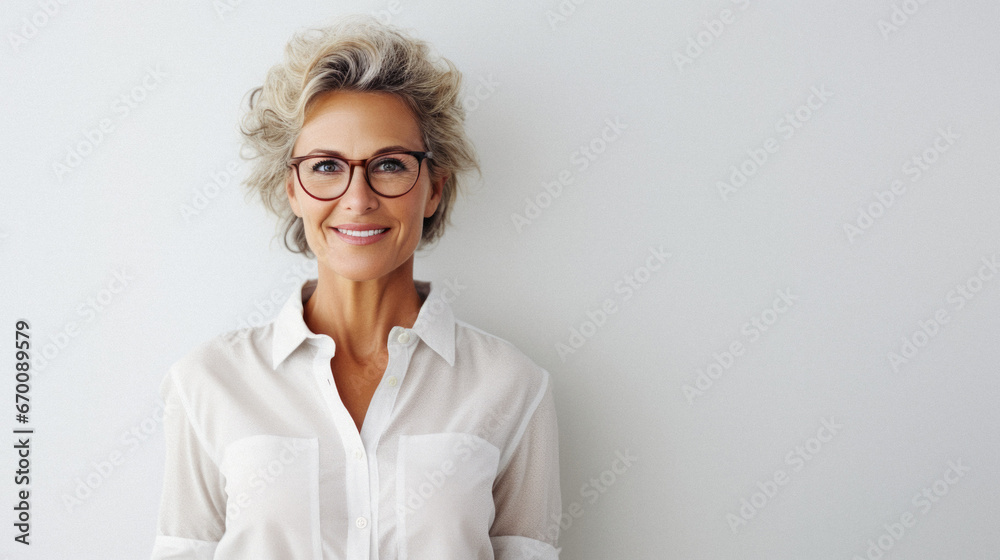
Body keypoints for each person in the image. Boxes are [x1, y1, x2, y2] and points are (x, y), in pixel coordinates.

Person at [150, 14, 562, 560]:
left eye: (389, 164)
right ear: (291, 189)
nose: (358, 198)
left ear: (434, 189)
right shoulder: (208, 382)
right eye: (325, 166)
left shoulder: (512, 385)